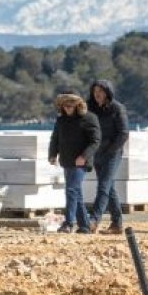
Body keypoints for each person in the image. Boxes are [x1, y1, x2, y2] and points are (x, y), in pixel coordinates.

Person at [48, 92, 101, 233]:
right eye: (65, 105)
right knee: (76, 193)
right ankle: (85, 226)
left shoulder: (89, 118)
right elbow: (55, 138)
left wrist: (84, 156)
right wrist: (52, 154)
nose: (68, 108)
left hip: (81, 162)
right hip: (67, 160)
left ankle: (69, 223)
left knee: (71, 190)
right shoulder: (61, 120)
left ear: (78, 105)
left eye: (71, 105)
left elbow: (95, 141)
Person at [87, 80, 129, 235]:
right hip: (96, 152)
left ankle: (93, 220)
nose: (97, 94)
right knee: (109, 188)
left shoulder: (117, 108)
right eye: (95, 91)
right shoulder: (90, 107)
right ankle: (117, 224)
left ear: (107, 92)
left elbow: (124, 133)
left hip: (112, 153)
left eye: (101, 91)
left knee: (103, 186)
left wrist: (110, 150)